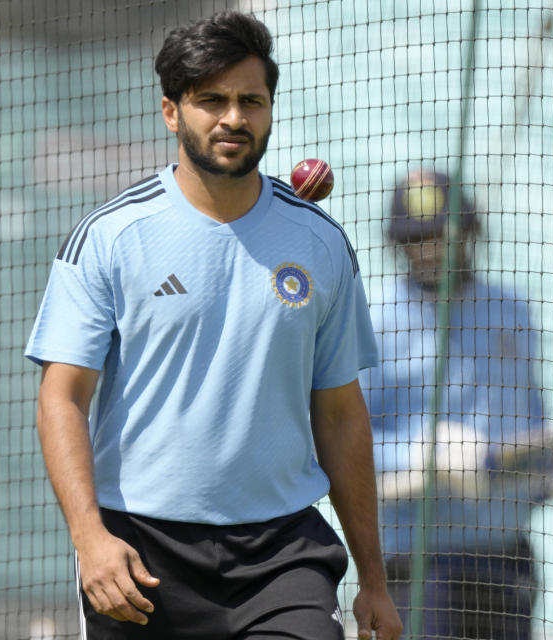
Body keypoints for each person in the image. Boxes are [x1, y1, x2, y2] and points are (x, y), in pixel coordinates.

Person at [25, 12, 402, 639]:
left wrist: (375, 581)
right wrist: (91, 540)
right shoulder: (111, 237)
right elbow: (60, 398)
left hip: (283, 553)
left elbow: (339, 413)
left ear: (271, 110)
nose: (234, 118)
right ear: (172, 111)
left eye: (251, 100)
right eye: (212, 100)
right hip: (139, 553)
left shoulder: (321, 244)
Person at [360, 169, 549, 639]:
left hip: (505, 554)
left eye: (438, 235)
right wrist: (422, 452)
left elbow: (531, 411)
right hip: (420, 560)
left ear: (467, 232)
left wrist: (547, 472)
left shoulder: (510, 311)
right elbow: (346, 438)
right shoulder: (375, 324)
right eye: (415, 238)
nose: (427, 250)